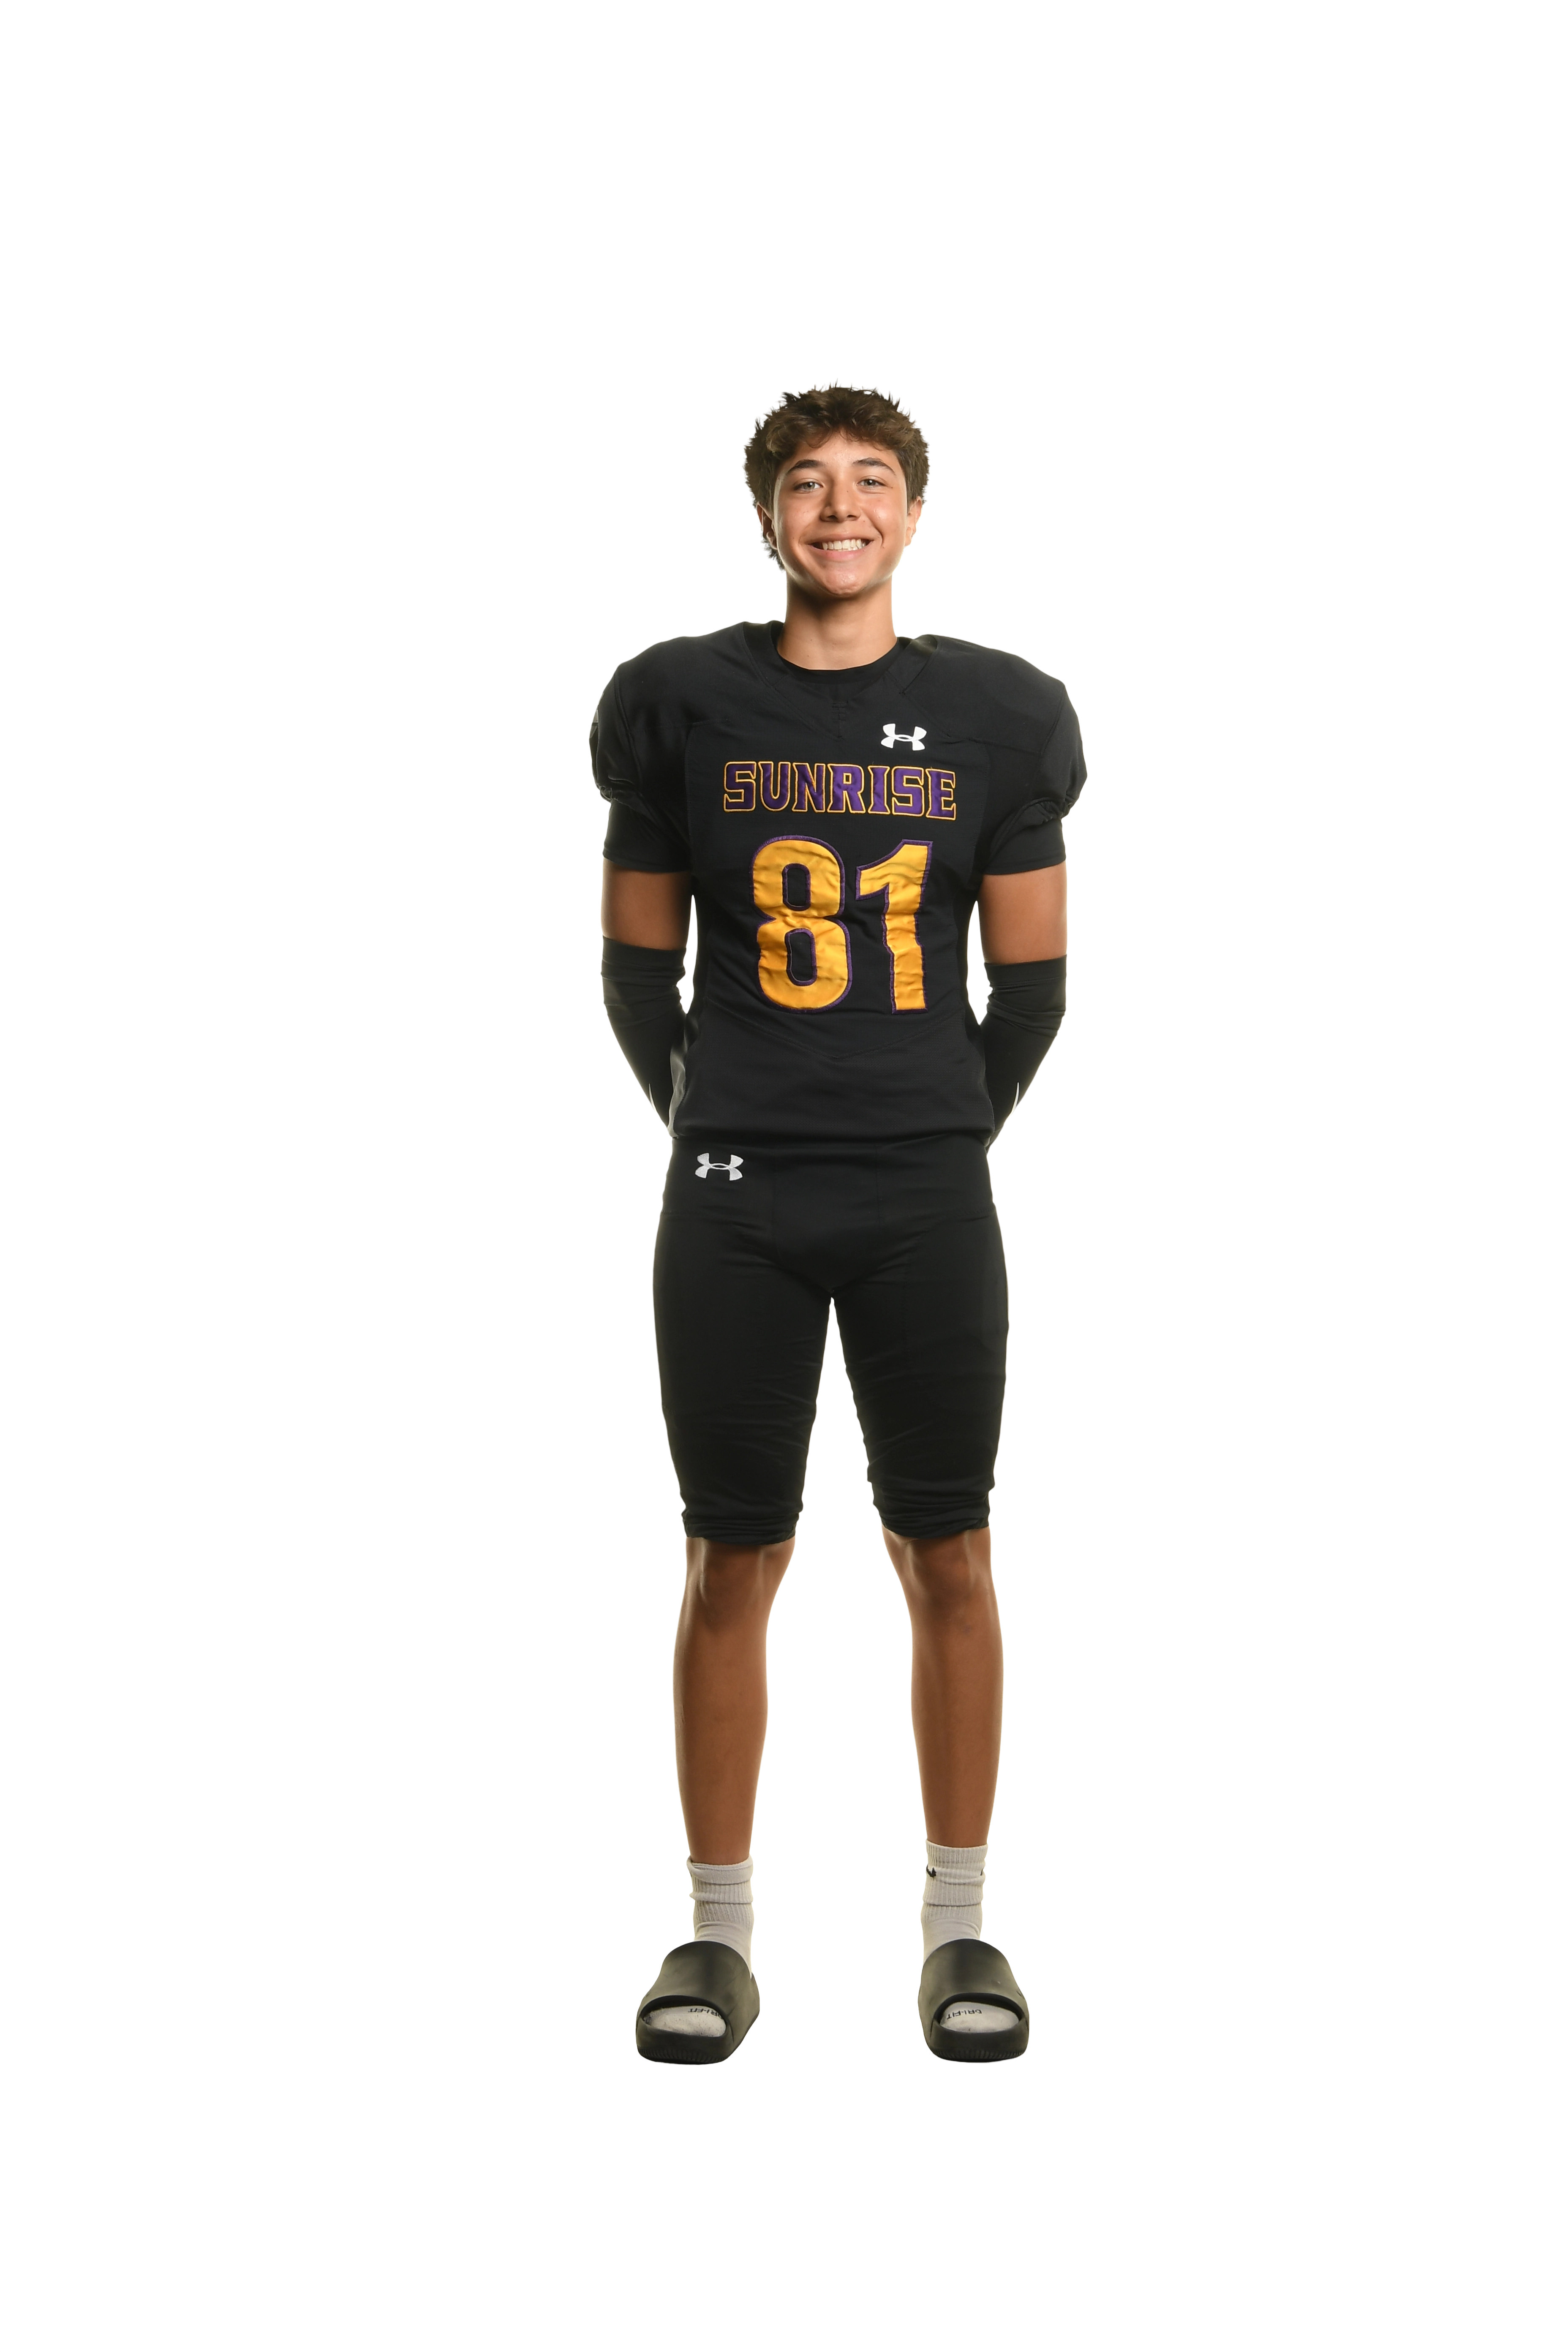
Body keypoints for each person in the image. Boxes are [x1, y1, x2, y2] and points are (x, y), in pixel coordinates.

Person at [596, 379, 1085, 2063]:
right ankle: (718, 1932)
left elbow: (1032, 986)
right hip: (734, 1194)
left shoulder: (996, 716)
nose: (841, 507)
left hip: (922, 1195)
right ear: (765, 513)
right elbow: (633, 974)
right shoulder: (682, 704)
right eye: (806, 481)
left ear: (916, 510)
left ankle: (959, 1928)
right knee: (731, 1554)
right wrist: (730, 1123)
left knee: (948, 1547)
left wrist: (926, 1135)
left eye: (874, 478)